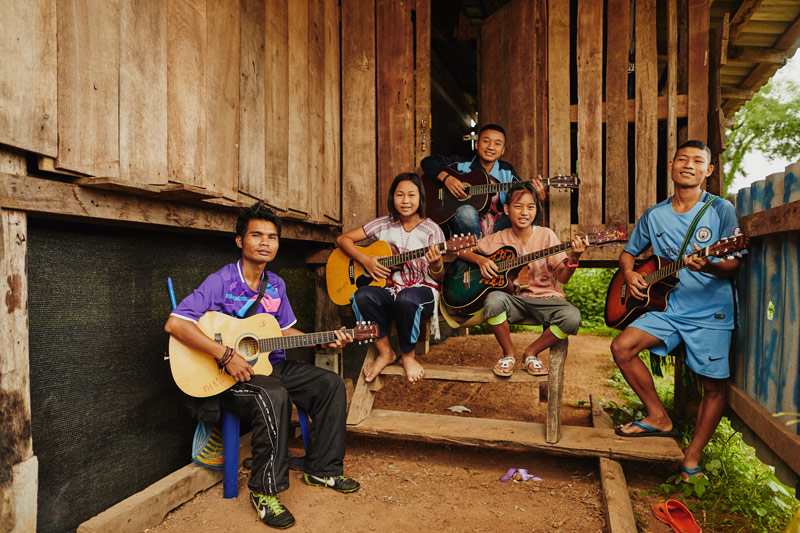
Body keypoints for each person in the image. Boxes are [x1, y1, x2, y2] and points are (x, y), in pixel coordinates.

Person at [165, 202, 359, 529]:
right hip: (226, 377)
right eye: (256, 235)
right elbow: (176, 325)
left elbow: (283, 332)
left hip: (270, 368)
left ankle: (323, 471)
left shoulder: (276, 286)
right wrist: (226, 355)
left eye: (272, 236)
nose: (265, 242)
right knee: (273, 395)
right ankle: (264, 491)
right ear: (240, 240)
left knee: (330, 384)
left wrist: (321, 339)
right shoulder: (221, 281)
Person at [610, 140, 742, 483]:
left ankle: (691, 460)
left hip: (712, 311)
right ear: (671, 166)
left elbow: (734, 262)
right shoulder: (654, 215)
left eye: (698, 161)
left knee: (713, 388)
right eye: (682, 159)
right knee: (622, 347)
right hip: (669, 307)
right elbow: (628, 253)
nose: (689, 165)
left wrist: (709, 266)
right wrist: (630, 275)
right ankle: (658, 417)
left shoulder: (721, 209)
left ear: (708, 171)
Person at [455, 181, 588, 377]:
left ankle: (531, 353)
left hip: (546, 300)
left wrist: (574, 258)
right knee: (492, 301)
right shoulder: (498, 238)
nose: (524, 212)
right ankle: (508, 354)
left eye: (530, 207)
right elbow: (462, 250)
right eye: (518, 206)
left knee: (572, 318)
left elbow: (563, 277)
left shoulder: (546, 235)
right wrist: (481, 260)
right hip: (514, 300)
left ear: (536, 211)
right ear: (507, 209)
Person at [336, 172, 446, 384]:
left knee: (407, 298)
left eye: (412, 195)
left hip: (422, 291)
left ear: (420, 198)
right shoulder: (383, 225)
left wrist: (436, 264)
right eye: (400, 195)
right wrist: (365, 260)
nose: (406, 201)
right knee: (362, 295)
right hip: (391, 290)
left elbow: (439, 276)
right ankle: (386, 352)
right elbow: (343, 239)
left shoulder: (432, 230)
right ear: (392, 197)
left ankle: (408, 356)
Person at [420, 123, 545, 237]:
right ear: (477, 144)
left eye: (497, 144)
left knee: (520, 214)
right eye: (486, 141)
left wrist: (537, 196)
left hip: (498, 226)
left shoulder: (507, 171)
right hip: (467, 226)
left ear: (503, 150)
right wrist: (447, 178)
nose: (491, 147)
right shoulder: (462, 164)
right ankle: (477, 249)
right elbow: (427, 162)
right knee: (465, 210)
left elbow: (523, 196)